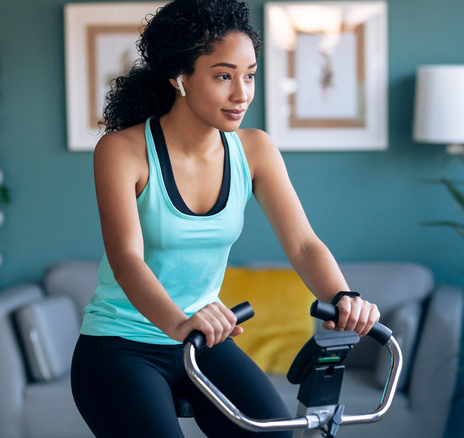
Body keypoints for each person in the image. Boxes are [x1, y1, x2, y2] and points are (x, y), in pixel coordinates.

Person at [70, 0, 380, 437]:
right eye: (223, 76)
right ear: (180, 77)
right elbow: (126, 260)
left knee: (275, 432)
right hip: (121, 346)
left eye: (249, 75)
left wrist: (344, 296)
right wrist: (179, 324)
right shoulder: (122, 151)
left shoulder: (255, 150)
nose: (242, 94)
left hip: (204, 342)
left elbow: (303, 245)